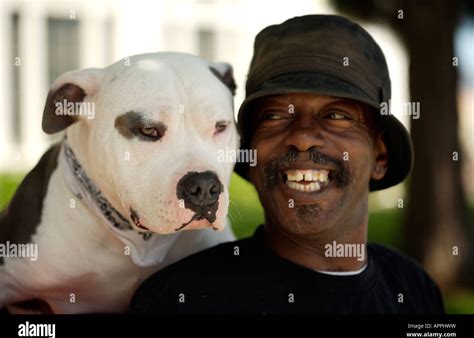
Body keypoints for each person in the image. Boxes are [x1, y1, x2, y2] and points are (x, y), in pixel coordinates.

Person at [130, 14, 444, 314]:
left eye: (336, 116)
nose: (303, 137)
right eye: (275, 116)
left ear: (380, 157)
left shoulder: (414, 290)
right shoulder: (178, 302)